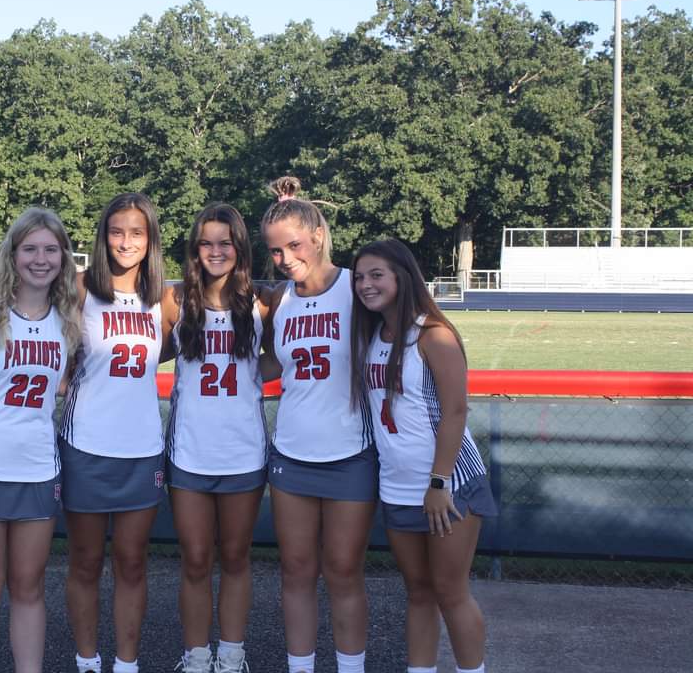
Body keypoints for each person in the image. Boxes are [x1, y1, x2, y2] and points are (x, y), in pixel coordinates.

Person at [350, 239, 497, 673]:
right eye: (359, 277)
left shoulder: (433, 334)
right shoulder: (373, 335)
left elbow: (455, 411)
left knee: (451, 592)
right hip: (397, 483)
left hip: (447, 484)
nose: (365, 284)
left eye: (376, 274)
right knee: (417, 591)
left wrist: (438, 482)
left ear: (402, 276)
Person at [0, 207, 82, 673]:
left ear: (64, 257)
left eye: (51, 249)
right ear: (13, 253)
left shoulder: (68, 316)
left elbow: (62, 385)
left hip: (37, 466)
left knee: (28, 587)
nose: (41, 258)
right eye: (30, 248)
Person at [260, 193, 377, 673]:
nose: (286, 259)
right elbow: (266, 363)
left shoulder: (358, 288)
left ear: (319, 236)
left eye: (294, 246)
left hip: (350, 452)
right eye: (275, 251)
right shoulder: (279, 301)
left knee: (345, 573)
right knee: (296, 572)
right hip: (292, 453)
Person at [58, 192, 169, 673]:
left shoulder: (164, 297)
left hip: (142, 446)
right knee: (84, 562)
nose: (126, 241)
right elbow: (54, 354)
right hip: (86, 443)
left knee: (132, 563)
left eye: (137, 232)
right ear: (104, 236)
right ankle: (87, 660)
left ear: (151, 240)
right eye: (117, 231)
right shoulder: (81, 288)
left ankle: (127, 663)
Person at [160, 203, 270, 673]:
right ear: (194, 248)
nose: (215, 251)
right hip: (190, 452)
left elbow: (285, 356)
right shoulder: (175, 299)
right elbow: (146, 352)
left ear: (240, 247)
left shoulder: (264, 300)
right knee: (196, 560)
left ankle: (231, 654)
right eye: (206, 242)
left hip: (243, 451)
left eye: (225, 242)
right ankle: (197, 655)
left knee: (236, 557)